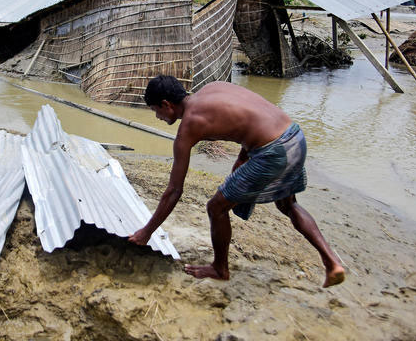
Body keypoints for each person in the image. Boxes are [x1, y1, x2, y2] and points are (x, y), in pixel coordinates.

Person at [129, 75, 345, 288]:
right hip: (294, 136)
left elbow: (174, 190)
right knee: (288, 204)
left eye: (155, 110)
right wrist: (243, 156)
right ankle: (332, 263)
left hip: (272, 152)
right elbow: (249, 116)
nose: (157, 116)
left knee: (216, 207)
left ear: (166, 104)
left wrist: (146, 232)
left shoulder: (189, 126)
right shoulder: (213, 88)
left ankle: (220, 269)